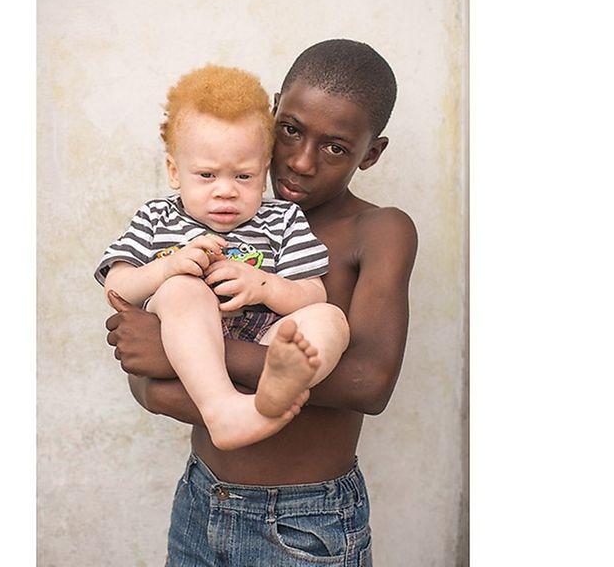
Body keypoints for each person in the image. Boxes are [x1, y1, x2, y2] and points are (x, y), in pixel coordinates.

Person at [105, 40, 418, 564]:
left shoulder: (378, 229)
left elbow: (369, 383)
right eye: (290, 131)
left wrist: (187, 355)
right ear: (272, 113)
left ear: (371, 153)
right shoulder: (202, 217)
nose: (300, 160)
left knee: (323, 318)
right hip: (200, 499)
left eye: (336, 147)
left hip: (305, 520)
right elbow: (149, 383)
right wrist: (162, 363)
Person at [96, 65, 350, 451]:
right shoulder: (156, 217)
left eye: (243, 177)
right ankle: (222, 410)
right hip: (190, 341)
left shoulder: (282, 220)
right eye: (207, 175)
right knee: (182, 289)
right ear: (174, 171)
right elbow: (117, 287)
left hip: (263, 340)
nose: (226, 191)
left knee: (330, 319)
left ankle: (279, 384)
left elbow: (313, 294)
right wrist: (167, 267)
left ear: (264, 174)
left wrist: (263, 285)